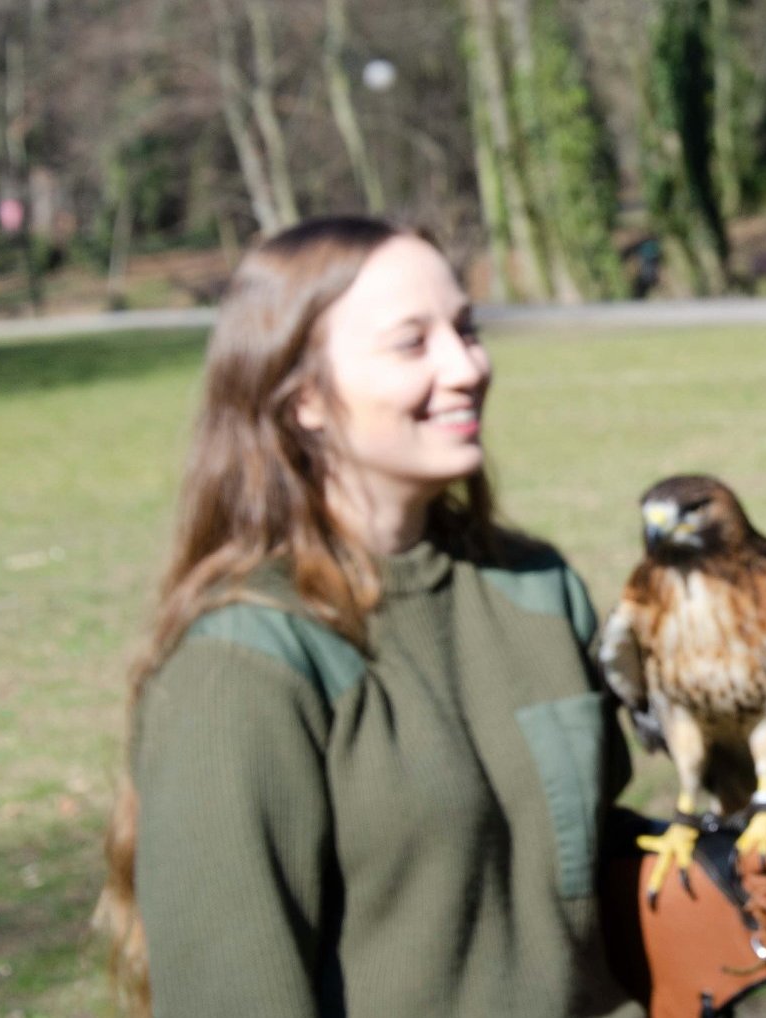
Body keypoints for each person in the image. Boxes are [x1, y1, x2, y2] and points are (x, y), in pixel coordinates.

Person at [96, 216, 641, 1017]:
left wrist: (720, 890)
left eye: (468, 329)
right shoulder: (242, 664)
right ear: (305, 397)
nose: (467, 367)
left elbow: (583, 867)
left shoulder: (535, 587)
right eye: (411, 344)